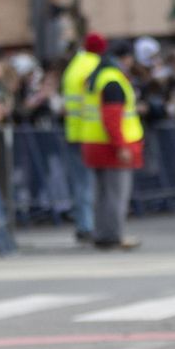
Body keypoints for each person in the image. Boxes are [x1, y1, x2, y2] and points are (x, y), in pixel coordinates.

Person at [81, 39, 144, 250]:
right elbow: (112, 118)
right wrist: (122, 147)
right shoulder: (113, 80)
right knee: (116, 195)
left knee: (103, 194)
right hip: (112, 146)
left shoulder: (96, 77)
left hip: (94, 143)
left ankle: (102, 234)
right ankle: (113, 236)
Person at [60, 33, 104, 243]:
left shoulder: (73, 66)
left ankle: (83, 224)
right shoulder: (94, 65)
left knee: (81, 182)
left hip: (73, 131)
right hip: (91, 132)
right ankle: (88, 225)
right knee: (91, 183)